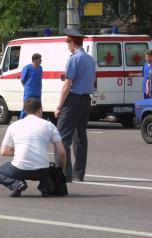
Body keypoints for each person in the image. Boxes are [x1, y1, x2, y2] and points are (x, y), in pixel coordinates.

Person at [0, 98, 67, 197]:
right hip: (42, 170)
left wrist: (20, 151)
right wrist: (61, 169)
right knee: (48, 168)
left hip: (20, 169)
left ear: (25, 111)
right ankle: (44, 186)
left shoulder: (14, 125)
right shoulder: (49, 125)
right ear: (40, 110)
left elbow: (3, 152)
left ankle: (17, 184)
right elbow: (61, 152)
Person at [54, 29, 96, 183]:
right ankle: (79, 173)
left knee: (61, 136)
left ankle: (64, 173)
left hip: (73, 100)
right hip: (86, 100)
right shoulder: (90, 59)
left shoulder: (73, 59)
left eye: (67, 42)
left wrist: (59, 106)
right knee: (80, 137)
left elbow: (67, 84)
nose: (67, 46)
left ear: (72, 42)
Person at [19, 53, 43, 119]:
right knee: (26, 108)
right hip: (29, 93)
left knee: (38, 109)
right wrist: (27, 88)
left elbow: (40, 79)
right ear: (35, 60)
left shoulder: (40, 68)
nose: (41, 60)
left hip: (37, 93)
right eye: (39, 59)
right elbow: (22, 80)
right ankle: (21, 122)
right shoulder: (27, 68)